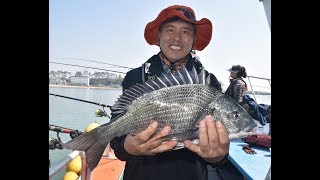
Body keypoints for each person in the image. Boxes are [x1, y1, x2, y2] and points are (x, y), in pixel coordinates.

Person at [110, 5, 243, 180]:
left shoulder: (209, 82)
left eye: (186, 32)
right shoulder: (135, 77)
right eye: (170, 29)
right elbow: (116, 137)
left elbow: (216, 152)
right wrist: (127, 148)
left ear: (194, 39)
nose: (177, 37)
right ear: (159, 36)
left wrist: (218, 156)